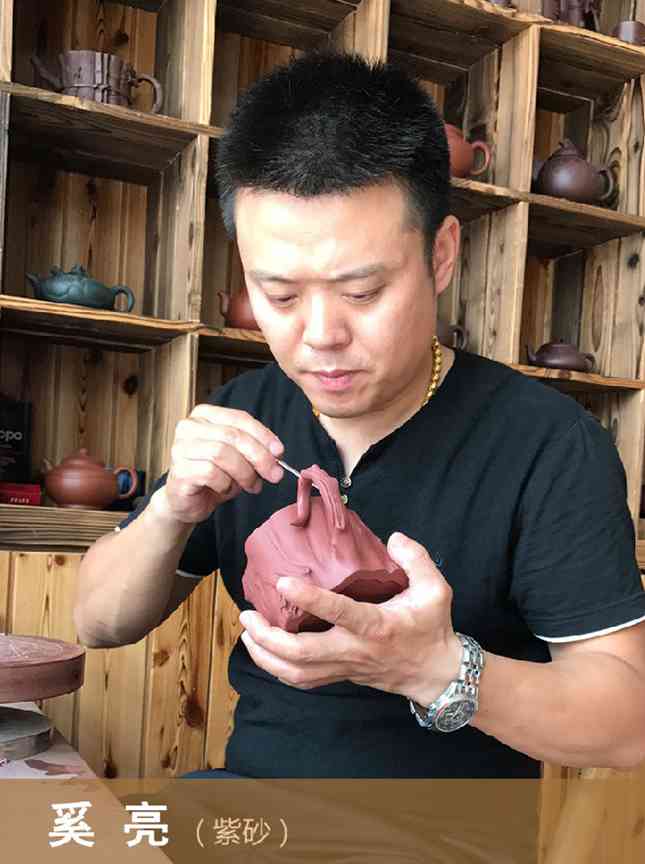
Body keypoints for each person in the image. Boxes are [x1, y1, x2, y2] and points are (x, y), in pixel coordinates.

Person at [74, 51, 645, 780]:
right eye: (280, 295)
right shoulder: (243, 414)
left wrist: (433, 668)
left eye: (362, 292)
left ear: (441, 254)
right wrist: (169, 512)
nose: (320, 336)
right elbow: (97, 622)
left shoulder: (548, 445)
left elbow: (628, 725)